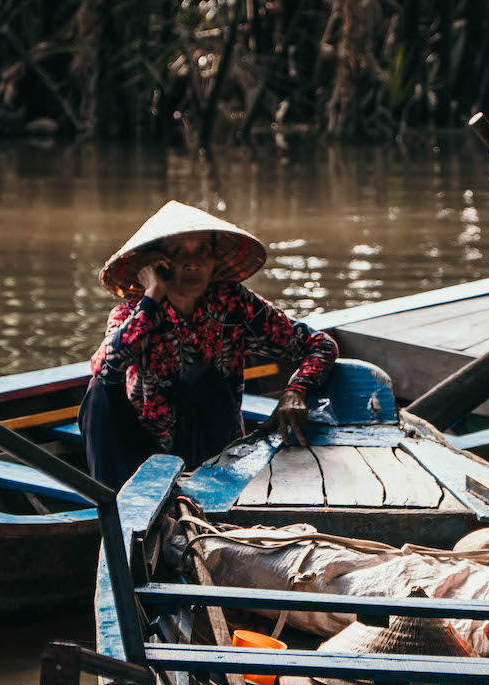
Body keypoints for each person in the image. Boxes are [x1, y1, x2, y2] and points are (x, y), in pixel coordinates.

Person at [80, 200, 339, 489]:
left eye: (202, 251)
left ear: (214, 260)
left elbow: (320, 344)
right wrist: (151, 297)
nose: (193, 262)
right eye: (179, 253)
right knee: (97, 392)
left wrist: (296, 389)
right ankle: (112, 511)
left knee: (200, 376)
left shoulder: (233, 303)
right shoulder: (132, 313)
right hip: (145, 458)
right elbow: (103, 370)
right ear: (158, 264)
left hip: (211, 452)